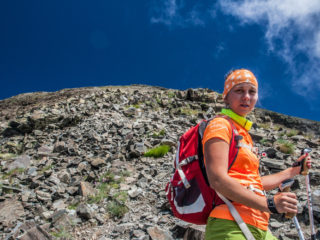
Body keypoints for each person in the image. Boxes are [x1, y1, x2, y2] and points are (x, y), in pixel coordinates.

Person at [203, 69, 312, 240]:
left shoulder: (244, 135)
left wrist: (293, 171)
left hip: (260, 226)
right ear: (226, 96)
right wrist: (269, 204)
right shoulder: (220, 124)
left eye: (251, 91)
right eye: (239, 90)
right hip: (229, 224)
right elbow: (217, 179)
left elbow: (254, 183)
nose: (246, 96)